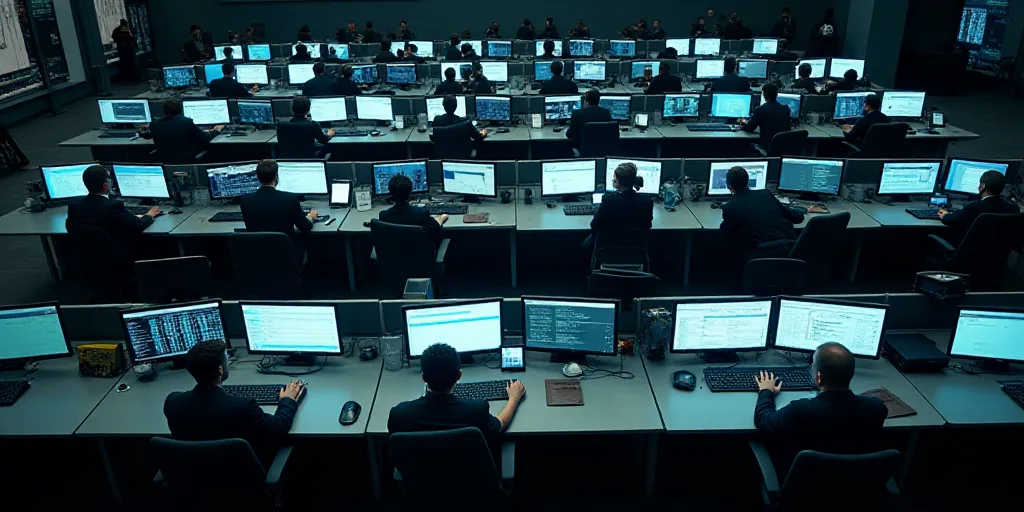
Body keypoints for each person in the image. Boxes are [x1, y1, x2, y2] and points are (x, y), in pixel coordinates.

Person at [164, 340, 304, 465]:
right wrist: (288, 399)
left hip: (192, 479)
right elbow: (279, 428)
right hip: (240, 478)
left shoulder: (173, 402)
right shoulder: (242, 407)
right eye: (227, 359)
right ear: (220, 370)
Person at [754, 342, 888, 473]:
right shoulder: (876, 408)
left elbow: (763, 420)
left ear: (818, 377)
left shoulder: (800, 410)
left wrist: (766, 391)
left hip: (805, 482)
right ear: (851, 373)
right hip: (856, 481)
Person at [388, 343, 525, 445]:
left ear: (423, 377)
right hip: (468, 474)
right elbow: (500, 424)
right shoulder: (477, 410)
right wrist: (514, 398)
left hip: (420, 475)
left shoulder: (400, 415)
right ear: (459, 375)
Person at [66, 165, 160, 267]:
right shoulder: (112, 206)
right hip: (115, 260)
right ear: (106, 185)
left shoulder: (75, 205)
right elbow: (137, 225)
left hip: (87, 261)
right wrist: (149, 215)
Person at [719, 166, 805, 262]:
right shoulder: (766, 194)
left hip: (760, 257)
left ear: (729, 186)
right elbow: (797, 218)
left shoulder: (730, 207)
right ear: (747, 181)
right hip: (790, 252)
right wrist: (800, 211)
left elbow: (726, 233)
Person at [240, 159, 318, 263]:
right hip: (285, 255)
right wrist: (310, 216)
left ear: (257, 177)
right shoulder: (289, 199)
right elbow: (305, 227)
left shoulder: (245, 200)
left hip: (258, 255)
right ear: (276, 176)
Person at [939, 170, 1020, 243]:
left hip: (969, 251)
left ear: (982, 186)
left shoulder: (975, 207)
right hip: (999, 253)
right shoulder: (1013, 209)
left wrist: (945, 215)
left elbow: (952, 220)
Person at [588, 162, 654, 250]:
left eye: (614, 178)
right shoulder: (647, 201)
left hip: (608, 250)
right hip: (636, 251)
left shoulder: (608, 201)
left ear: (618, 182)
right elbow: (647, 226)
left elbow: (594, 225)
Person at [140, 98, 223, 165]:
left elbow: (147, 136)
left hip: (165, 160)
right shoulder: (186, 122)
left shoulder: (154, 124)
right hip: (186, 159)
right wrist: (216, 130)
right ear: (181, 110)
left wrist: (143, 129)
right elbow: (205, 137)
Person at [379, 175, 448, 249]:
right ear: (410, 192)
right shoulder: (422, 214)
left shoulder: (384, 216)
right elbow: (436, 230)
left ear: (390, 193)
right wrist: (441, 218)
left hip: (393, 255)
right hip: (421, 255)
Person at [740, 83, 792, 148]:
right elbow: (788, 128)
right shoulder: (786, 109)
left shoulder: (760, 110)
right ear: (777, 94)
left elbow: (749, 128)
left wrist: (742, 122)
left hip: (767, 147)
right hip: (783, 148)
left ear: (764, 94)